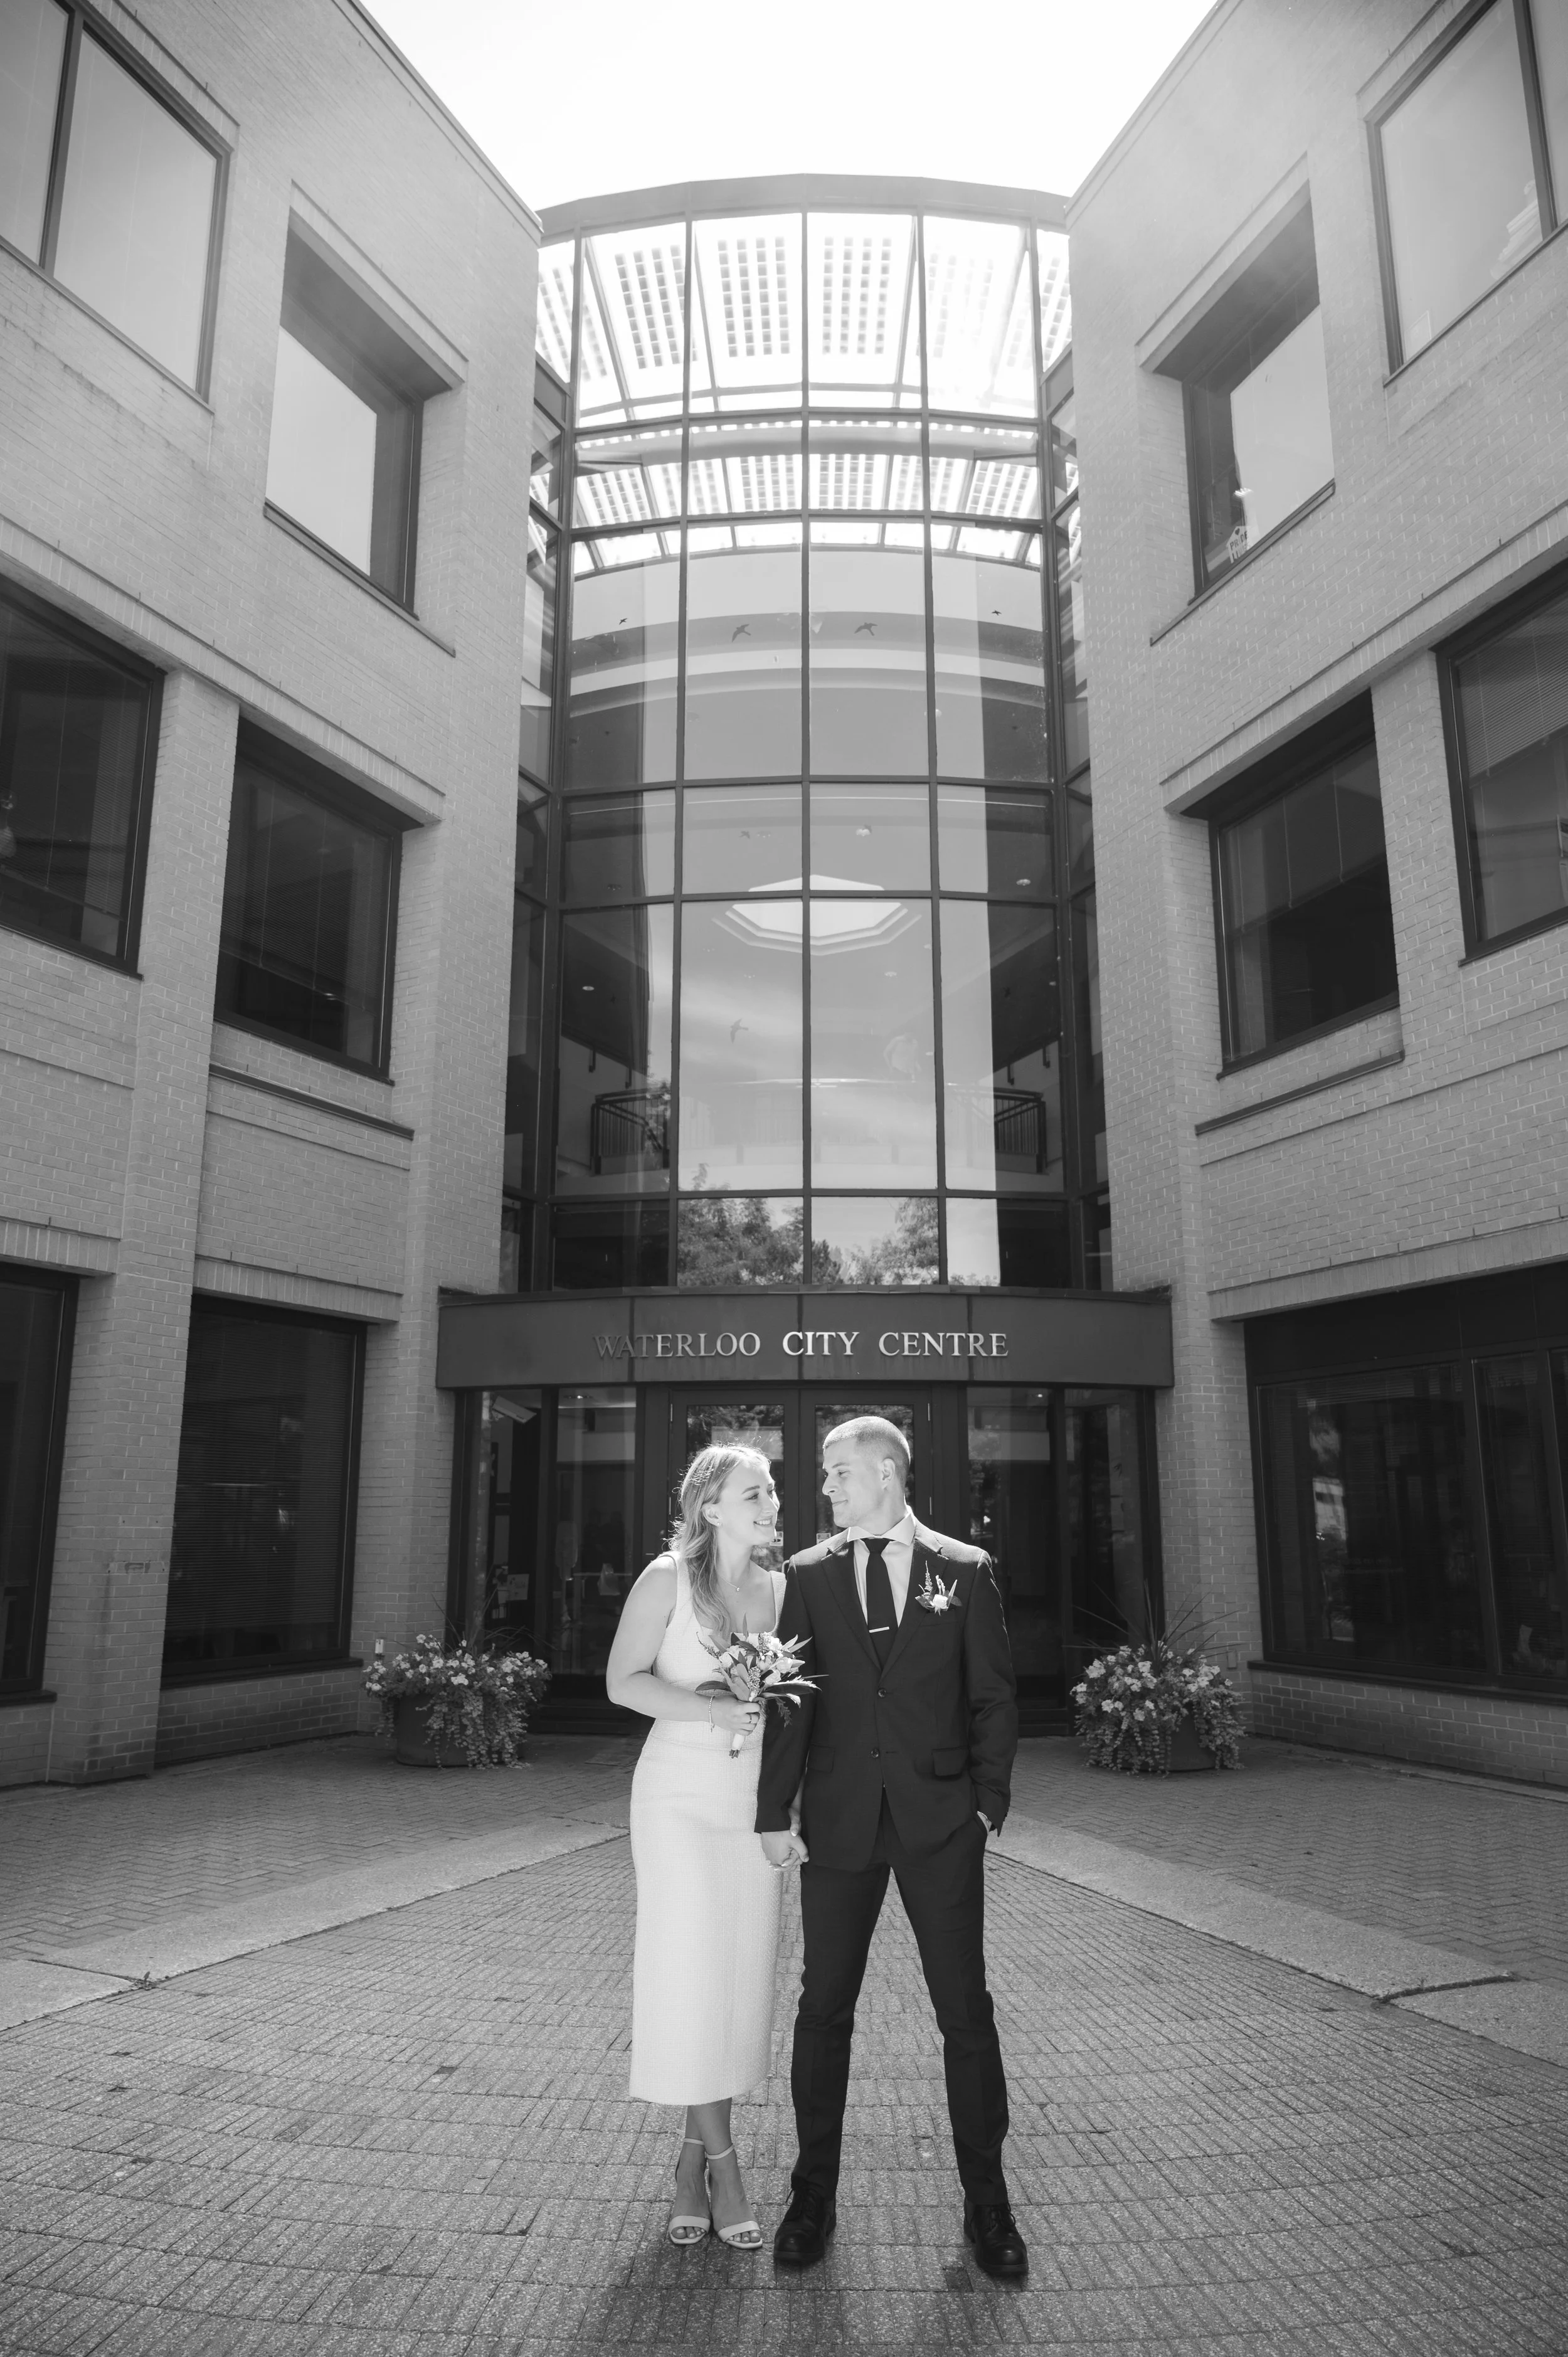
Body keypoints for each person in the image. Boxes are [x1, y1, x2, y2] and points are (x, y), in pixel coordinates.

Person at [755, 1415, 1027, 2279]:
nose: (826, 1488)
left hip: (942, 1822)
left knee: (965, 2011)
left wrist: (987, 1805)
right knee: (822, 2007)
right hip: (839, 1823)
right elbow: (792, 1702)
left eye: (837, 1473)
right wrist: (773, 1809)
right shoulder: (807, 1574)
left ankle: (989, 2205)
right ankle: (811, 2196)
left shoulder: (965, 1568)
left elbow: (994, 1695)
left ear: (884, 1471)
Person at [605, 1443, 788, 2250]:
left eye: (773, 1489)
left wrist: (791, 1809)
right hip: (677, 1798)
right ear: (710, 1508)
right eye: (754, 1490)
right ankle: (725, 2164)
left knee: (735, 1975)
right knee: (689, 1973)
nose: (771, 1500)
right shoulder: (664, 1580)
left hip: (750, 1802)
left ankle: (687, 2161)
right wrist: (710, 1711)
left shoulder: (783, 1589)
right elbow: (622, 1681)